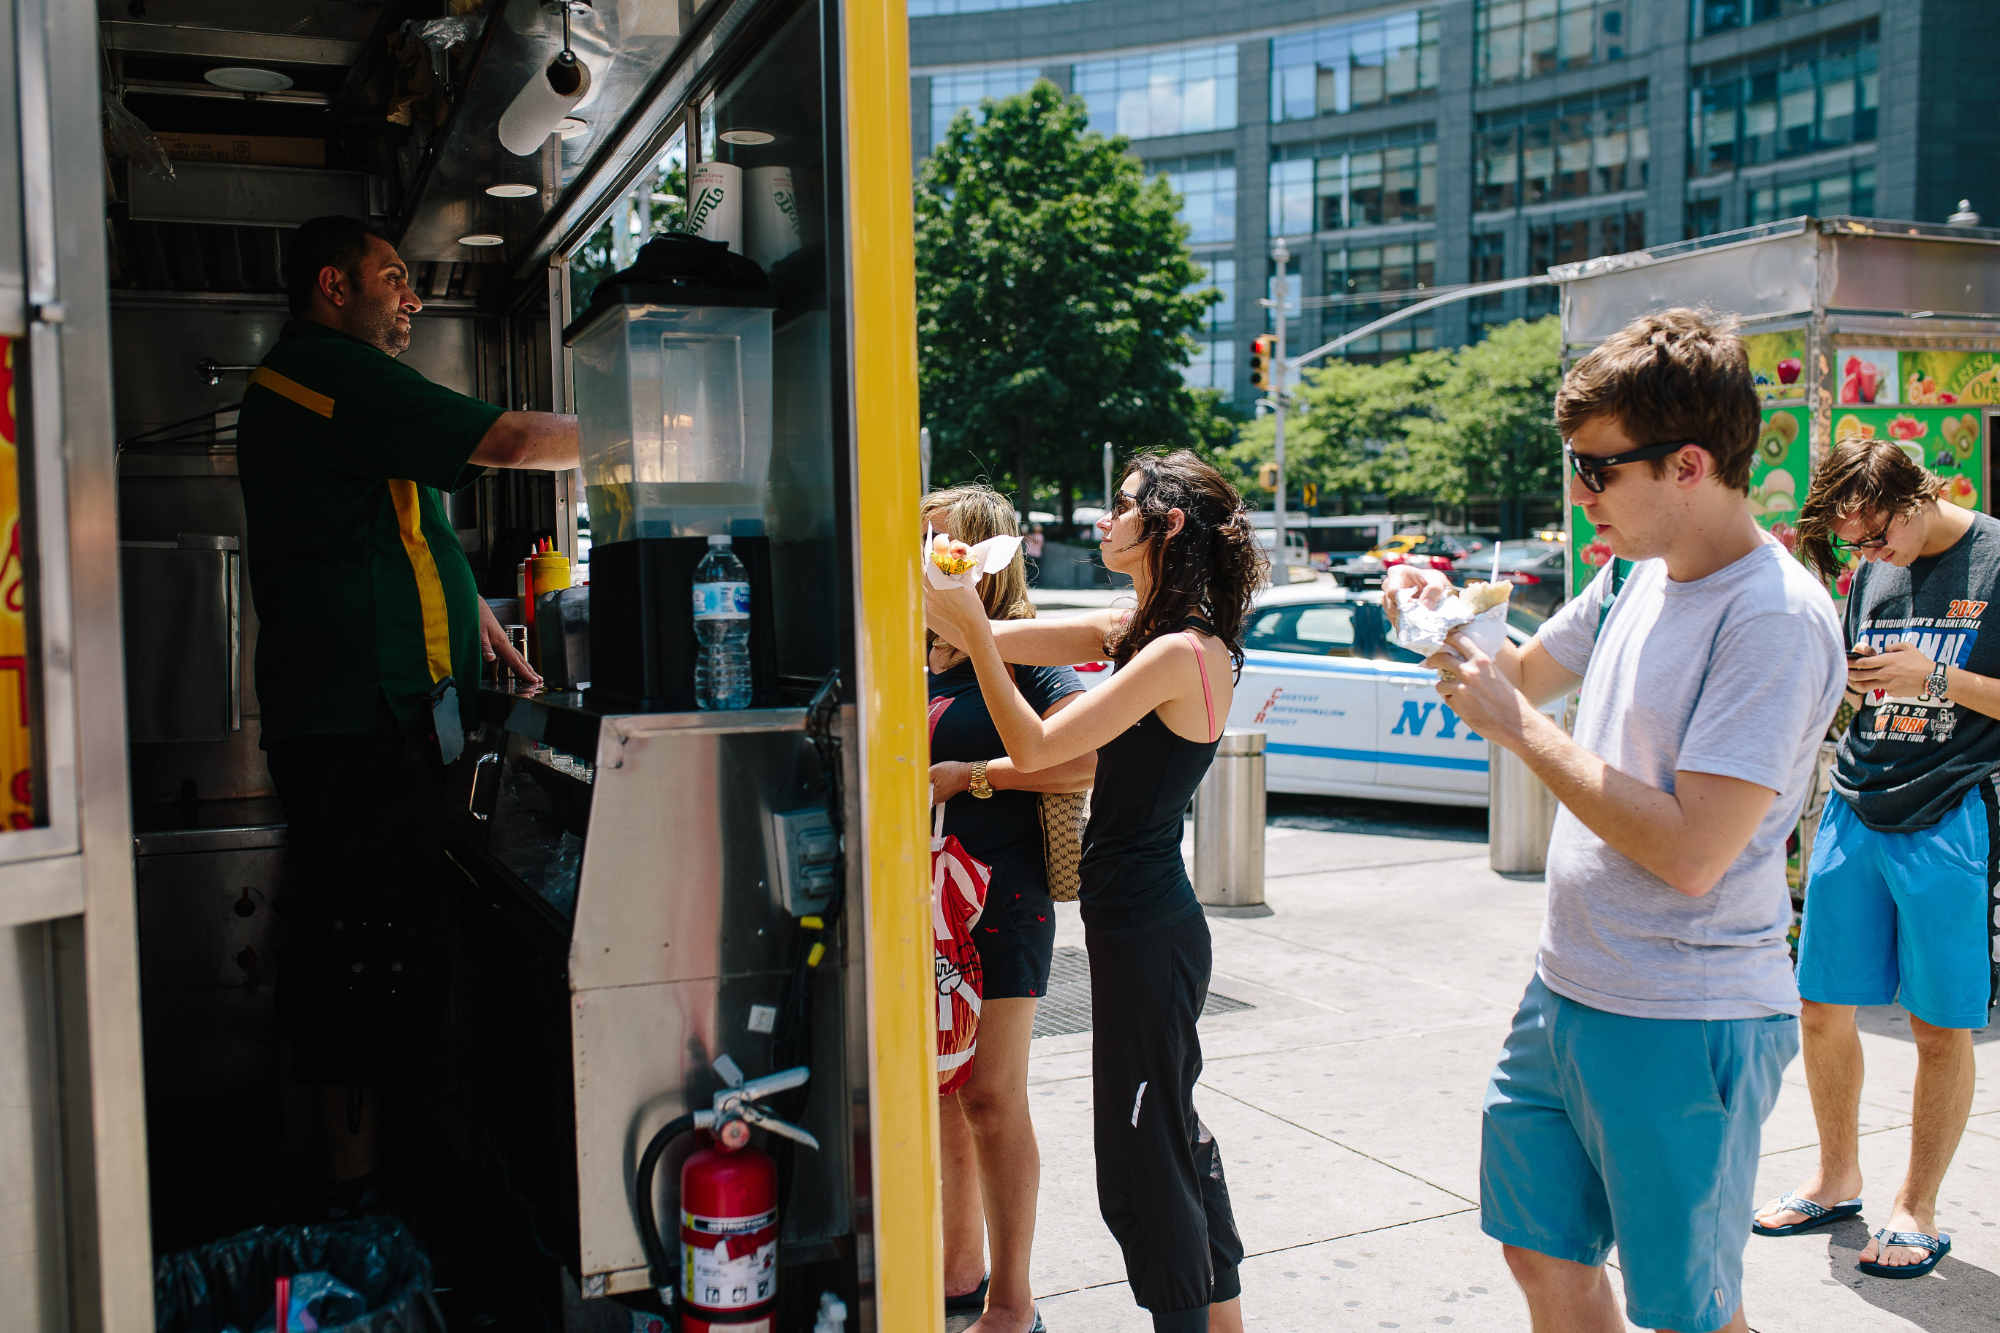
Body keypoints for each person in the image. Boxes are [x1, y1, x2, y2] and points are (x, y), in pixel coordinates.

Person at [1388, 308, 1844, 1333]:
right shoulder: (1631, 571)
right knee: (1536, 1249)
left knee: (1686, 1312)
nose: (1576, 491)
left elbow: (1692, 851)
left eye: (1595, 470)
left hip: (1687, 1014)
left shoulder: (1769, 617)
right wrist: (1436, 621)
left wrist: (1522, 732)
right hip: (1566, 985)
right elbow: (1513, 679)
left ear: (1686, 465)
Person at [236, 215, 579, 1208]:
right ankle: (365, 1210)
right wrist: (658, 424)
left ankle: (398, 1187)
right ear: (332, 285)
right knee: (363, 961)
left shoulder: (338, 390)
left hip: (385, 717)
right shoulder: (323, 369)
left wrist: (471, 614)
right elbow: (510, 440)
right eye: (394, 278)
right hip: (354, 729)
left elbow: (401, 529)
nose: (413, 296)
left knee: (391, 952)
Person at [923, 449, 1262, 1333]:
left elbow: (1039, 750)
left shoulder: (1178, 652)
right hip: (1138, 923)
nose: (1104, 522)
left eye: (1121, 507)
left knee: (1142, 1158)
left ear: (1169, 523)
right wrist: (940, 596)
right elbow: (987, 643)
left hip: (1150, 928)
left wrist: (963, 622)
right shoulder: (1141, 630)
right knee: (1172, 1135)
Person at [1751, 436, 2000, 1278]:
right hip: (1858, 800)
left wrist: (1934, 678)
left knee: (1940, 1023)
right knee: (1819, 1005)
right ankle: (1836, 1176)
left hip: (1952, 812)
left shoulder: (1995, 556)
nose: (1867, 552)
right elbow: (1870, 675)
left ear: (1916, 491)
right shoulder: (1870, 571)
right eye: (1852, 543)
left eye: (1874, 533)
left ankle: (1916, 1209)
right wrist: (1858, 684)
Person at [924, 485, 1094, 1333]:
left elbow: (1081, 760)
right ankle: (959, 1273)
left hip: (1002, 899)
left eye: (941, 545)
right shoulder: (911, 652)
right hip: (918, 901)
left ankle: (1013, 1301)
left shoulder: (1028, 654)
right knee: (940, 1093)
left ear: (984, 556)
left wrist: (973, 775)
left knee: (991, 1095)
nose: (924, 560)